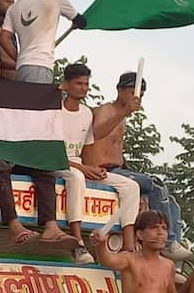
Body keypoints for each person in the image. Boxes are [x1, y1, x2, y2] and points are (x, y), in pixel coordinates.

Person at [0, 47, 79, 249]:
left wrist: (51, 93)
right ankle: (14, 225)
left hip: (9, 153)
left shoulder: (9, 92)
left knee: (42, 165)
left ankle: (51, 226)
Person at [84, 72, 192, 260]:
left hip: (120, 169)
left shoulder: (121, 118)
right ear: (120, 90)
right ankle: (167, 243)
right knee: (155, 184)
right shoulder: (106, 110)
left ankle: (170, 252)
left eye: (140, 94)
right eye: (133, 92)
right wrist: (124, 112)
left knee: (171, 202)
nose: (137, 98)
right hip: (102, 170)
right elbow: (97, 133)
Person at [57, 64, 139, 263]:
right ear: (66, 85)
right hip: (57, 163)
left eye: (86, 84)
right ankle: (78, 243)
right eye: (78, 83)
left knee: (131, 186)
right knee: (76, 177)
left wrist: (92, 168)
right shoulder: (55, 110)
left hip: (79, 164)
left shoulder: (86, 113)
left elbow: (87, 147)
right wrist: (83, 169)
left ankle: (129, 249)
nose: (83, 88)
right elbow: (51, 152)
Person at [0, 0, 87, 84]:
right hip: (41, 65)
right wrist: (76, 23)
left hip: (22, 67)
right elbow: (82, 21)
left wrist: (19, 58)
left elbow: (3, 38)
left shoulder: (15, 6)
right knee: (35, 102)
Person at [92, 210, 177, 293]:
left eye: (164, 228)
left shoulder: (169, 266)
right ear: (140, 234)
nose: (160, 232)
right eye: (154, 228)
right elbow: (106, 260)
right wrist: (101, 244)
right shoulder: (130, 260)